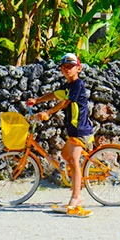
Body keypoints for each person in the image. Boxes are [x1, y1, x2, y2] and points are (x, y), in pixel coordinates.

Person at [26, 52, 93, 215]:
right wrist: (37, 100)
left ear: (78, 69)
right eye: (64, 67)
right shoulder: (68, 86)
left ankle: (76, 198)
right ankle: (77, 181)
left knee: (74, 162)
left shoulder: (77, 85)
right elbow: (55, 94)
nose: (67, 69)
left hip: (80, 129)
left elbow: (64, 102)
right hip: (73, 130)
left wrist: (48, 112)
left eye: (70, 67)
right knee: (65, 155)